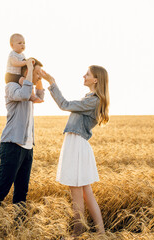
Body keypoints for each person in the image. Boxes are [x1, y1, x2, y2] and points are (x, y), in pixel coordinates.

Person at [41, 65, 109, 237]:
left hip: (77, 145)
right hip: (77, 144)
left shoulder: (92, 100)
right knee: (86, 192)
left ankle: (77, 233)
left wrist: (52, 83)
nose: (83, 76)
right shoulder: (90, 98)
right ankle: (100, 233)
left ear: (96, 80)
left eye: (87, 74)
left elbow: (64, 105)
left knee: (77, 192)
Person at [0, 58, 44, 209]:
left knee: (21, 192)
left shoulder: (28, 88)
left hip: (27, 147)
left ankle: (19, 228)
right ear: (27, 71)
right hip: (12, 144)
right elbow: (25, 95)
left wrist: (39, 77)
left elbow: (40, 98)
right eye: (36, 73)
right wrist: (30, 72)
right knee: (2, 189)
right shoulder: (12, 87)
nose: (39, 77)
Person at [5, 33, 42, 103]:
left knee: (28, 81)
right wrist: (26, 63)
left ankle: (32, 94)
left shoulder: (22, 55)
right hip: (11, 75)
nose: (22, 45)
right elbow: (14, 63)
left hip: (18, 75)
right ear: (12, 45)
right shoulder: (12, 54)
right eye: (19, 43)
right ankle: (32, 97)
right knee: (24, 81)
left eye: (24, 43)